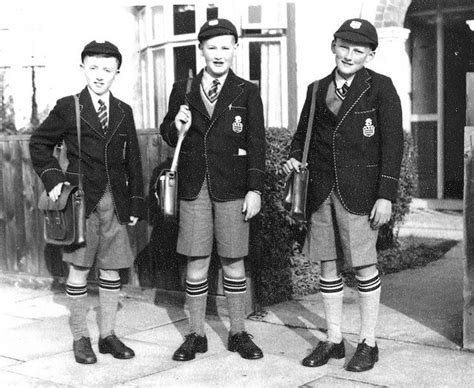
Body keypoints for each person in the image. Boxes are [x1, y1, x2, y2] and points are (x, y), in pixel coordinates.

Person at [283, 18, 403, 372]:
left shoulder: (380, 88)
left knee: (365, 267)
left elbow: (392, 144)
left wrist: (386, 195)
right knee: (328, 266)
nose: (349, 55)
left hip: (362, 195)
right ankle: (334, 338)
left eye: (358, 50)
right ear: (333, 46)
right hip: (321, 191)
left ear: (370, 55)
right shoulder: (317, 88)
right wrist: (292, 155)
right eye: (344, 46)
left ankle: (368, 341)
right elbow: (303, 133)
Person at [30, 40, 146, 364]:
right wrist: (53, 178)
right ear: (82, 68)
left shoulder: (124, 110)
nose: (99, 75)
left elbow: (133, 159)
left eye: (107, 69)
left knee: (111, 272)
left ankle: (107, 335)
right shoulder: (69, 107)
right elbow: (39, 143)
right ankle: (81, 337)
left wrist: (136, 204)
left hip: (116, 203)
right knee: (79, 270)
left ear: (117, 72)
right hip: (81, 203)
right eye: (93, 67)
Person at [160, 18, 265, 361]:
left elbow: (257, 143)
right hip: (194, 187)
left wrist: (255, 189)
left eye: (225, 46)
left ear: (235, 49)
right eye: (212, 46)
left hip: (233, 189)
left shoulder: (247, 91)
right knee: (196, 261)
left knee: (234, 261)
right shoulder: (183, 88)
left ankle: (238, 332)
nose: (219, 54)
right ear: (201, 49)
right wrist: (176, 127)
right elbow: (168, 132)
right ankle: (196, 334)